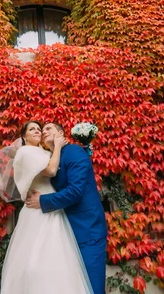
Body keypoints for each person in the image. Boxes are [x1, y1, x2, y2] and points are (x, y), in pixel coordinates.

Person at [0, 121, 93, 294]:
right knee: (37, 260)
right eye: (32, 129)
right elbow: (51, 171)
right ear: (23, 136)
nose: (37, 131)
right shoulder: (25, 152)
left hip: (52, 206)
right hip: (38, 208)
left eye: (39, 129)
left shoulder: (42, 152)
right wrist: (57, 146)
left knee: (59, 258)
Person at [26, 122, 108, 294]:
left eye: (49, 128)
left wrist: (42, 201)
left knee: (92, 287)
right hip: (65, 231)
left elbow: (76, 191)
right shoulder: (51, 158)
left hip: (87, 230)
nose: (43, 132)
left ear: (61, 134)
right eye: (43, 130)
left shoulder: (74, 152)